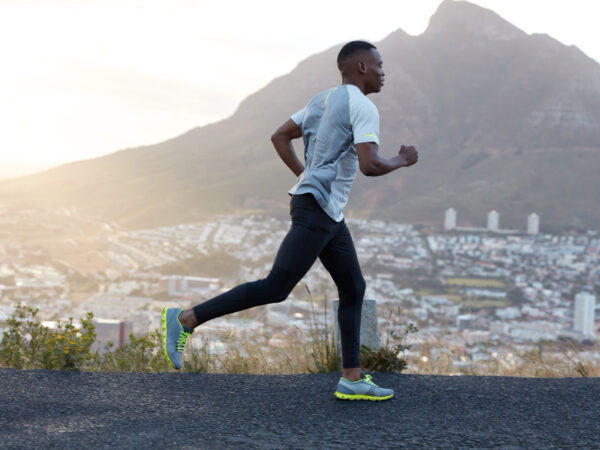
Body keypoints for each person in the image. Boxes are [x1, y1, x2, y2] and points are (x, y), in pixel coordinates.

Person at [162, 40, 418, 401]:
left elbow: (279, 135)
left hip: (325, 210)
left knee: (353, 288)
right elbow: (371, 164)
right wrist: (403, 159)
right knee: (276, 287)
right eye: (378, 64)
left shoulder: (321, 100)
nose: (383, 71)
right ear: (361, 67)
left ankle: (351, 378)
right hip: (316, 208)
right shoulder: (362, 106)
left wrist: (306, 174)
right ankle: (186, 318)